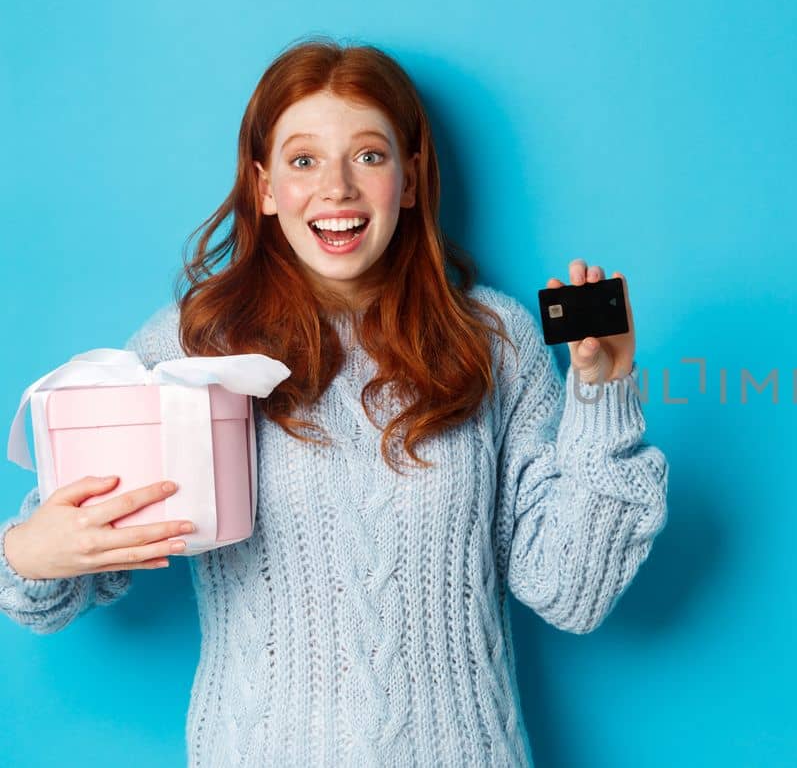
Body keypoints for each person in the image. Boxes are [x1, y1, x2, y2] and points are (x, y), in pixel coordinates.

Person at [0, 37, 668, 766]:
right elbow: (63, 581)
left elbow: (573, 589)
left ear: (410, 180)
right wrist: (26, 554)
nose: (338, 188)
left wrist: (604, 391)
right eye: (304, 160)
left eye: (369, 156)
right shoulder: (193, 345)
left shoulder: (493, 338)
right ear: (263, 186)